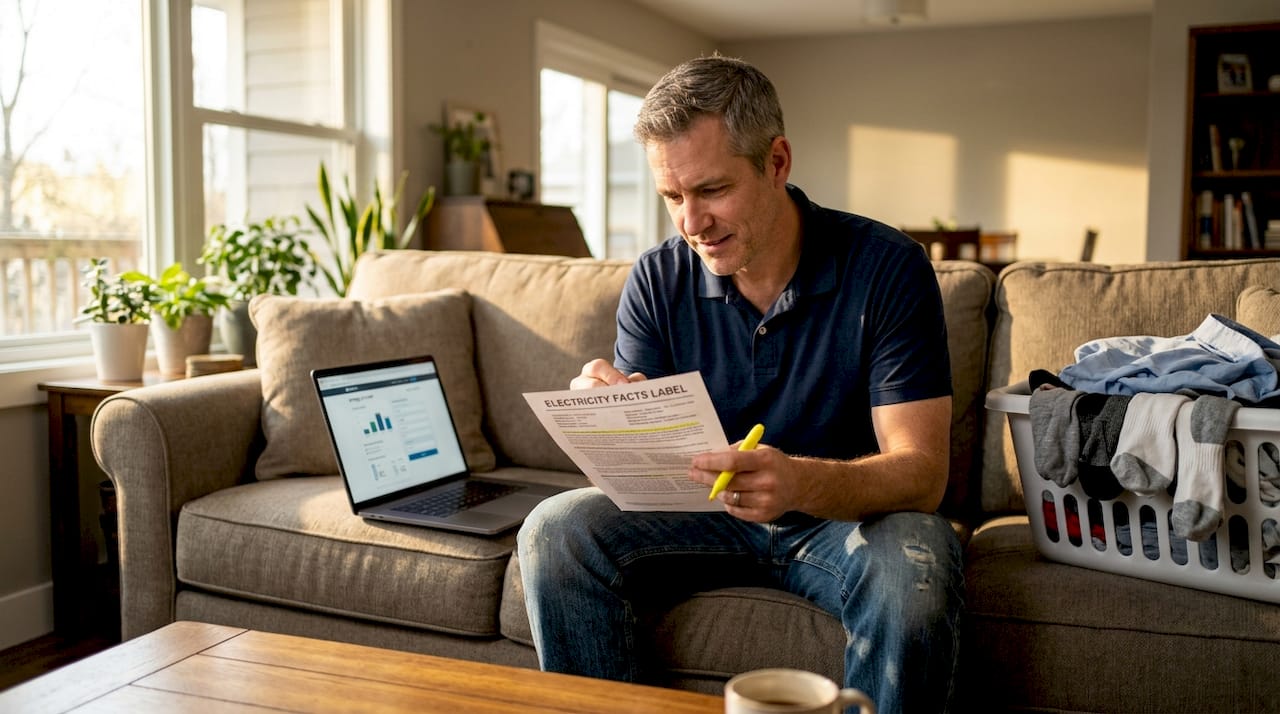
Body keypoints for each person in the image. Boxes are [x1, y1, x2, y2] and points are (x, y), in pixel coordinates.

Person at [516, 55, 963, 714]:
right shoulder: (657, 278)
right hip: (704, 515)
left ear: (776, 162)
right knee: (555, 530)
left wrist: (800, 482)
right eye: (673, 197)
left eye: (712, 190)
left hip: (843, 522)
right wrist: (607, 417)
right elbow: (648, 470)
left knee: (916, 564)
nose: (691, 223)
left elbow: (923, 473)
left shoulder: (887, 268)